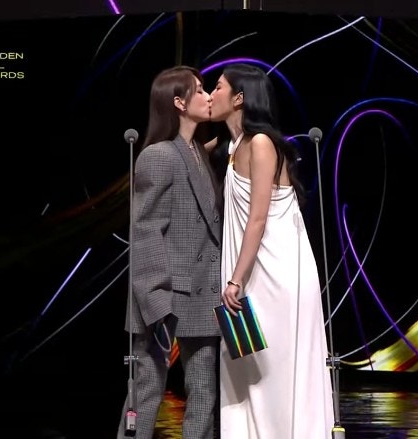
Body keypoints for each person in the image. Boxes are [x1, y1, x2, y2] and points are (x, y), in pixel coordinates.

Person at [208, 63, 335, 438]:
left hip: (277, 275)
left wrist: (235, 279)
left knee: (277, 371)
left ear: (239, 98)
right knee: (246, 369)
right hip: (250, 274)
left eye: (217, 87)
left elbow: (258, 218)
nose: (211, 94)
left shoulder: (261, 143)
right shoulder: (233, 147)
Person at [117, 65, 222, 439]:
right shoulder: (158, 155)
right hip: (164, 294)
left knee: (204, 389)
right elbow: (146, 231)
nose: (207, 96)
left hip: (202, 292)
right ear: (178, 102)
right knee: (147, 390)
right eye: (199, 90)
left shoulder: (197, 153)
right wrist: (154, 300)